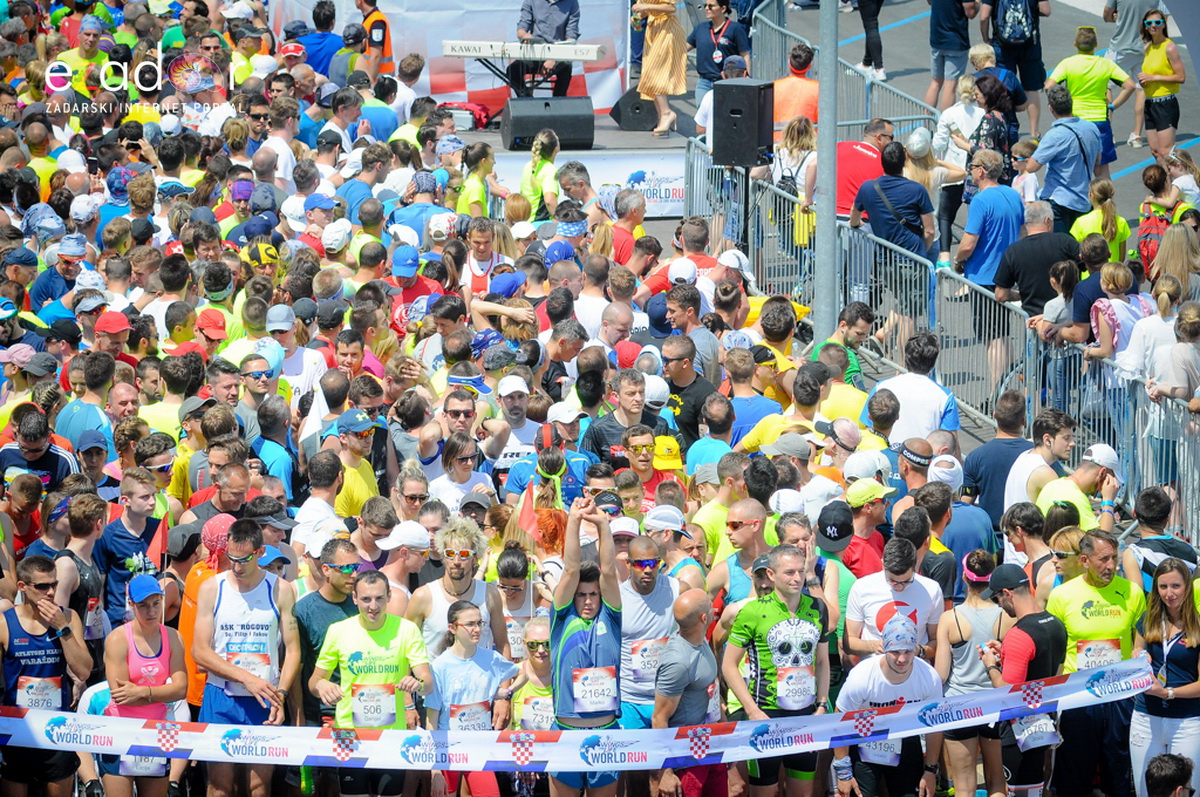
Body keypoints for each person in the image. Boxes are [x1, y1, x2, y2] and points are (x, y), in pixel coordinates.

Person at [192, 520, 300, 797]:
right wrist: (246, 678)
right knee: (219, 786)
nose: (237, 567)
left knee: (258, 786)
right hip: (222, 697)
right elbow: (200, 651)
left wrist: (282, 696)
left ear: (260, 552)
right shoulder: (212, 588)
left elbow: (293, 651)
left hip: (265, 697)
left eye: (244, 559)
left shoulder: (281, 589)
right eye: (232, 558)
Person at [311, 570, 432, 794]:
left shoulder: (407, 630)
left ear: (389, 596)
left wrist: (418, 683)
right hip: (350, 735)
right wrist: (322, 685)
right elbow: (314, 681)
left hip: (391, 735)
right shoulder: (338, 631)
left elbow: (427, 680)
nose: (373, 606)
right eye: (366, 599)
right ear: (355, 598)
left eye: (379, 598)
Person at [723, 544, 829, 796]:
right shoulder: (752, 611)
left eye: (800, 572)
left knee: (803, 792)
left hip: (805, 715)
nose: (797, 578)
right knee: (764, 792)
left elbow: (823, 661)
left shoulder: (818, 608)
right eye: (789, 572)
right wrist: (752, 710)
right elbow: (728, 665)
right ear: (771, 574)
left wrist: (822, 704)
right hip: (766, 715)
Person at [1046, 529, 1145, 797]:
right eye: (1103, 559)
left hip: (1120, 695)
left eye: (1113, 558)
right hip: (1078, 696)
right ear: (1084, 561)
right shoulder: (1062, 596)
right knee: (1075, 772)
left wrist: (1138, 651)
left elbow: (1142, 636)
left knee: (1119, 768)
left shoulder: (1132, 593)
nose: (1110, 566)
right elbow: (1053, 649)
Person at [0, 555, 91, 797]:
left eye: (54, 585)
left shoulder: (68, 618)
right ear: (22, 587)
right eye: (42, 586)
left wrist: (62, 628)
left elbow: (83, 670)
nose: (50, 592)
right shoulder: (4, 623)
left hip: (56, 728)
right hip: (17, 728)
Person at [548, 495, 621, 796]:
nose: (588, 601)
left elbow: (609, 571)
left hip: (605, 733)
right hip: (566, 732)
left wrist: (603, 524)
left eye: (593, 595)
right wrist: (575, 518)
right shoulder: (561, 618)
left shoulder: (611, 615)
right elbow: (570, 571)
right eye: (581, 595)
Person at [977, 563, 1067, 797]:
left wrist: (991, 666)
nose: (999, 607)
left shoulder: (1019, 635)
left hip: (1020, 734)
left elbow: (1008, 692)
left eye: (997, 600)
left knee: (1022, 792)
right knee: (1041, 787)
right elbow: (1055, 672)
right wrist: (1006, 652)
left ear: (1007, 594)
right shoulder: (1056, 623)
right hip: (1047, 723)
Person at [833, 614, 944, 797]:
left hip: (906, 738)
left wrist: (931, 770)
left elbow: (934, 727)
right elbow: (840, 721)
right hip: (865, 737)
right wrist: (843, 771)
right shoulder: (862, 677)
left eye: (908, 652)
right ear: (884, 648)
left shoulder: (929, 677)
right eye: (895, 651)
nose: (902, 659)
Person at [101, 574, 187, 797]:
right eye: (143, 606)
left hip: (156, 732)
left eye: (156, 604)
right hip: (121, 730)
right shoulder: (118, 639)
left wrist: (143, 691)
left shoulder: (173, 637)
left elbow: (180, 689)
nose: (151, 611)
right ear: (131, 604)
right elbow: (121, 695)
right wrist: (161, 693)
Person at [425, 598, 521, 797]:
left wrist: (504, 695)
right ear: (452, 628)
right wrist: (435, 770)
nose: (477, 629)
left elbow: (523, 671)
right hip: (448, 750)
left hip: (479, 747)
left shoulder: (491, 658)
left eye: (479, 623)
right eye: (470, 624)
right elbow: (431, 722)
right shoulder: (439, 667)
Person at [933, 551, 1008, 797]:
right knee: (997, 778)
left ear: (964, 578)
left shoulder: (950, 618)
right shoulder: (1005, 617)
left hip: (959, 705)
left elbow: (941, 674)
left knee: (964, 783)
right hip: (994, 704)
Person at [1130, 558, 1200, 797]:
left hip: (1187, 720)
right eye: (1163, 587)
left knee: (1187, 790)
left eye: (1175, 586)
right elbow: (1136, 652)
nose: (1169, 594)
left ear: (1187, 587)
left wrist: (1168, 692)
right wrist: (1138, 656)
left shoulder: (1198, 625)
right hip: (1146, 715)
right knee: (1144, 788)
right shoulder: (1148, 619)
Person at [653, 589, 725, 797]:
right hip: (686, 757)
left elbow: (712, 689)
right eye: (710, 605)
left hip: (711, 746)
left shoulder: (700, 639)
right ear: (705, 618)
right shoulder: (678, 662)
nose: (714, 608)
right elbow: (659, 718)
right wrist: (666, 772)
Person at [1045, 25, 1136, 180]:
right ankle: (1105, 203)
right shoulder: (1106, 64)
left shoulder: (1068, 63)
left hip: (1075, 121)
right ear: (1096, 44)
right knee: (1101, 171)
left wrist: (1060, 108)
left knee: (1076, 167)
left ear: (1075, 44)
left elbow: (1049, 86)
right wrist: (1113, 106)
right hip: (1099, 121)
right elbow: (1130, 86)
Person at [1026, 85, 1104, 233]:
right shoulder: (1091, 128)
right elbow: (1098, 160)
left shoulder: (1055, 136)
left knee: (1061, 249)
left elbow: (1031, 167)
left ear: (1051, 108)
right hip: (1084, 199)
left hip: (1060, 201)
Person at [850, 141, 935, 260]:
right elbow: (930, 231)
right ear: (904, 163)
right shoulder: (918, 190)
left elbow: (854, 213)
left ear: (882, 162)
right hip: (914, 258)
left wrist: (855, 224)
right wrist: (921, 251)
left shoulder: (867, 187)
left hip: (885, 258)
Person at [1138, 8, 1186, 164]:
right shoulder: (1148, 48)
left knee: (1166, 151)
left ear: (1164, 25)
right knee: (1156, 151)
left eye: (1158, 22)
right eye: (1149, 23)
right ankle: (1165, 188)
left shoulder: (1169, 47)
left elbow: (1181, 77)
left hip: (1165, 104)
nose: (1154, 26)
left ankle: (1189, 178)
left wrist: (1154, 77)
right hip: (1150, 103)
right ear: (1145, 26)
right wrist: (1144, 81)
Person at [634, 0, 687, 136]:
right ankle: (663, 116)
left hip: (667, 30)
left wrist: (646, 7)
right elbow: (646, 11)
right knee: (649, 74)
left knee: (656, 72)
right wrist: (638, 17)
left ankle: (667, 113)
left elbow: (670, 8)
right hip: (654, 30)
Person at [507, 0, 580, 98]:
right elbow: (521, 29)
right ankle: (527, 101)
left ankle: (558, 105)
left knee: (566, 68)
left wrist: (554, 58)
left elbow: (571, 37)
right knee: (513, 70)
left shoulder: (572, 2)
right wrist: (525, 35)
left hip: (559, 54)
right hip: (536, 53)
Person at [685, 0, 749, 106]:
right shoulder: (700, 28)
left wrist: (746, 78)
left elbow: (745, 55)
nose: (706, 9)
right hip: (704, 82)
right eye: (705, 6)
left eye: (711, 6)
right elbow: (683, 48)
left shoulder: (735, 29)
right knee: (702, 117)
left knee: (723, 117)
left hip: (726, 81)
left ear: (723, 9)